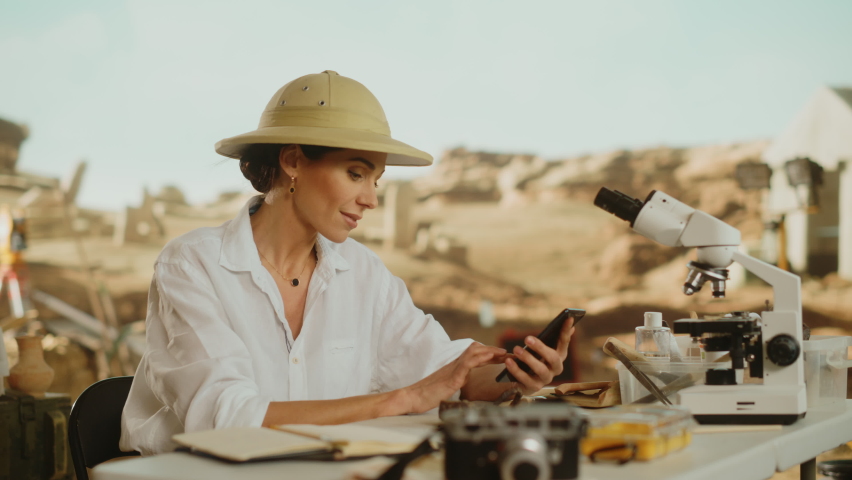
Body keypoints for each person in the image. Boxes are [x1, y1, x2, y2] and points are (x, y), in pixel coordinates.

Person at [120, 70, 575, 456]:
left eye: (375, 179)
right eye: (356, 173)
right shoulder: (192, 265)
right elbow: (226, 420)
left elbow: (446, 377)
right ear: (293, 160)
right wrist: (398, 401)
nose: (371, 199)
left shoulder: (364, 275)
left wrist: (517, 376)